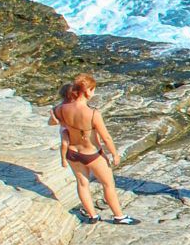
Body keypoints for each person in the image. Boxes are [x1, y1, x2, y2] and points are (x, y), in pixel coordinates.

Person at [48, 74, 137, 225]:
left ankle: (92, 216)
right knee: (108, 184)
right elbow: (106, 138)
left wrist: (58, 120)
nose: (93, 93)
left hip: (72, 153)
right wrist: (114, 154)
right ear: (87, 91)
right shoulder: (93, 114)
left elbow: (52, 122)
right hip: (92, 154)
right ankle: (119, 216)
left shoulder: (61, 108)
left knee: (82, 183)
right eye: (93, 90)